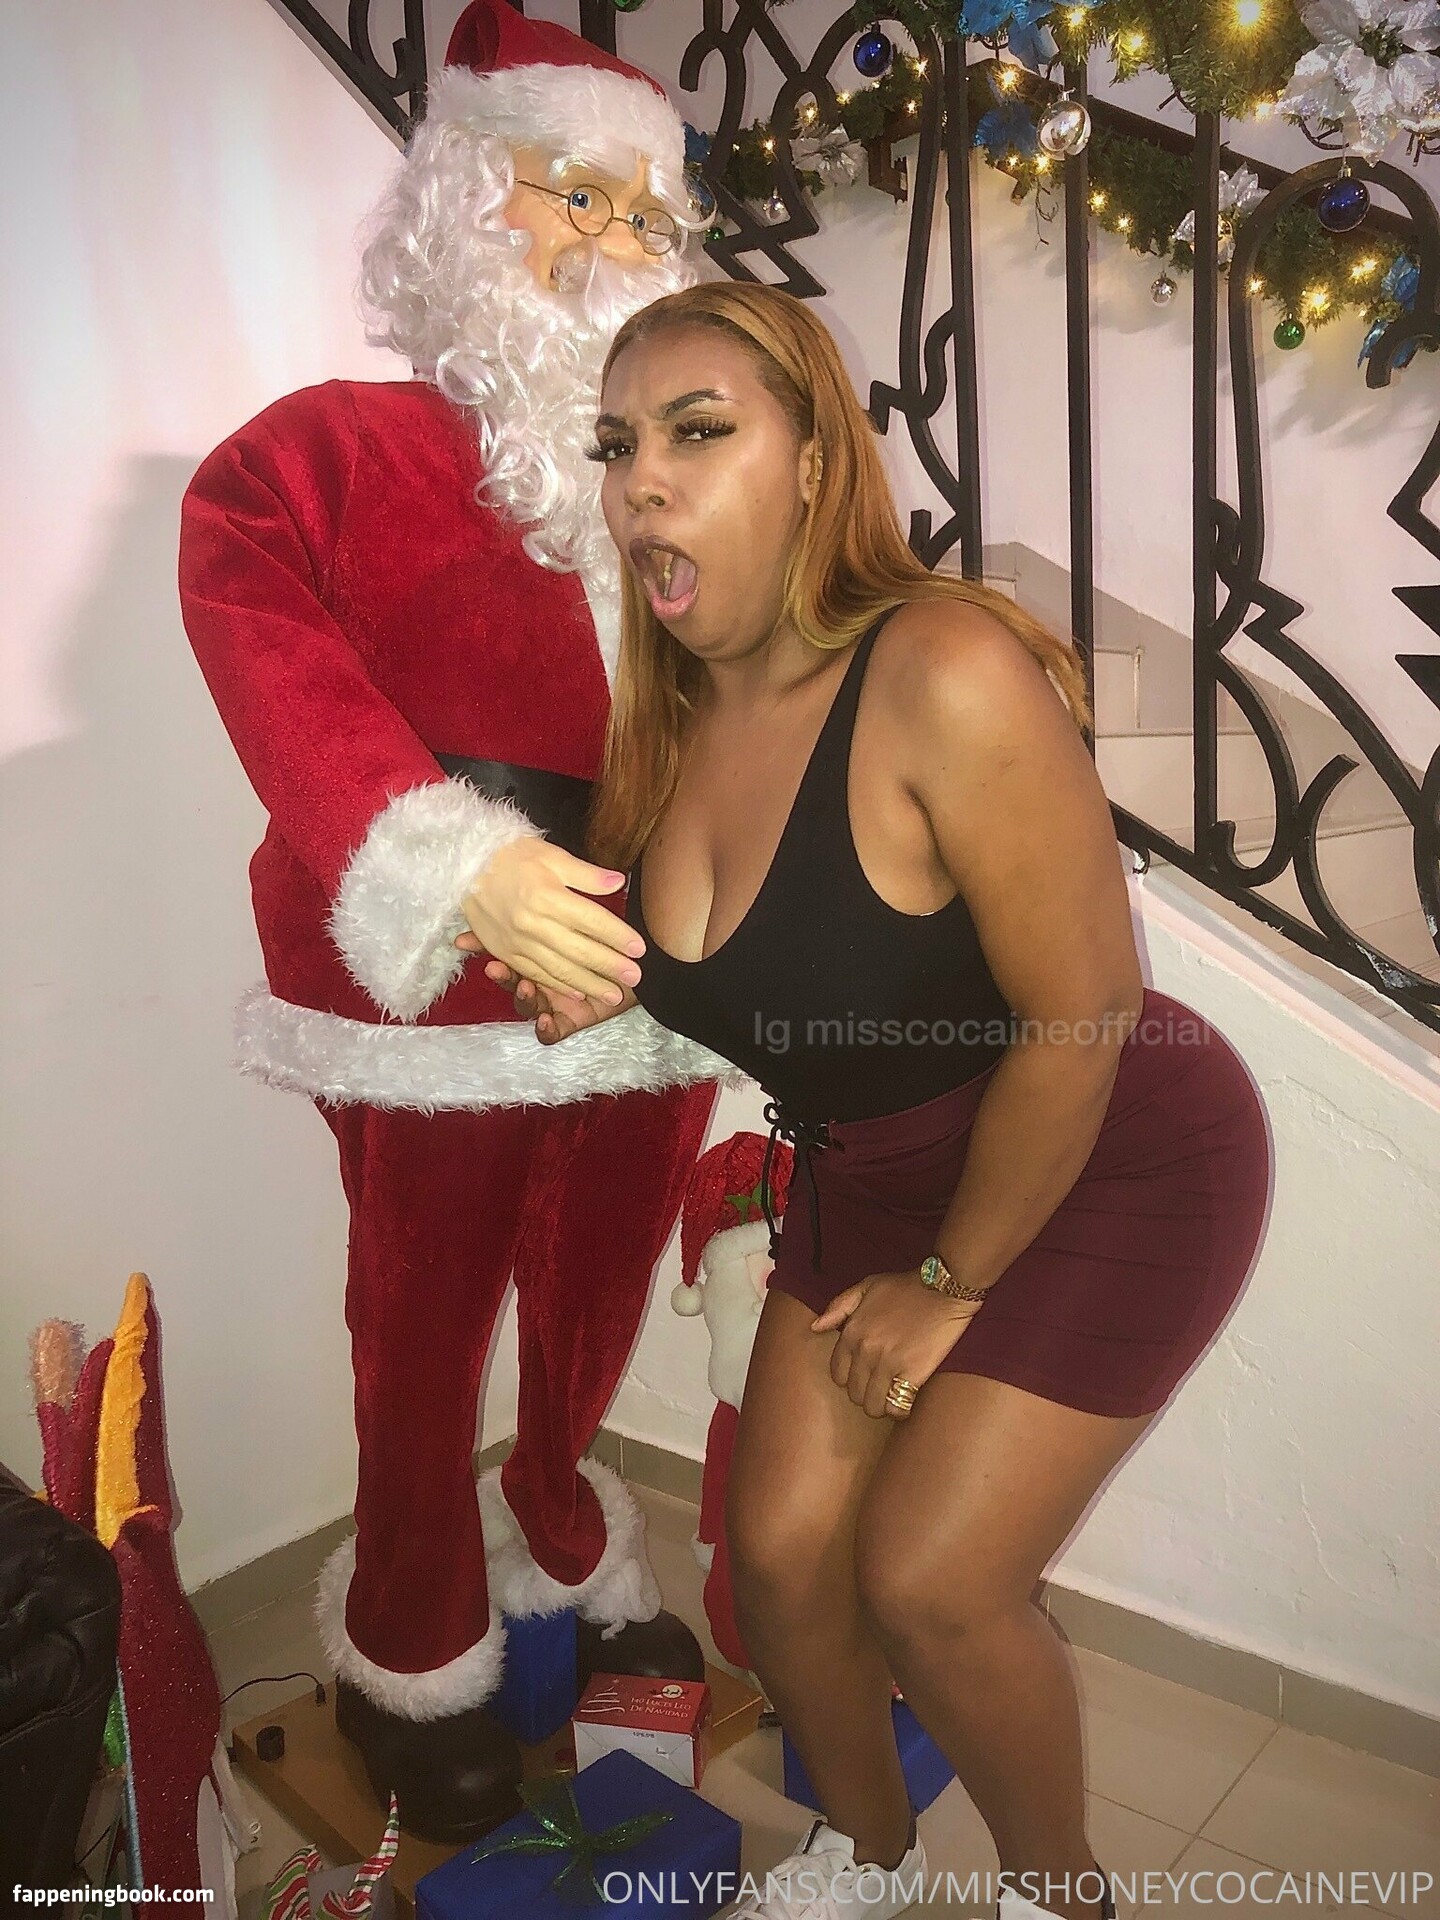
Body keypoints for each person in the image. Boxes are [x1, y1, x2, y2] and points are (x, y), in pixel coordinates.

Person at [473, 281, 1273, 1920]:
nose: (641, 481)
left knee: (931, 1582)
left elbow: (1085, 1017)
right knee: (776, 1567)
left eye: (699, 431)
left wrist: (949, 1285)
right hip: (873, 1175)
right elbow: (745, 978)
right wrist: (588, 991)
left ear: (819, 463)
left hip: (1108, 1150)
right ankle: (868, 1850)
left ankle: (1058, 1894)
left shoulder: (941, 669)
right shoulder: (665, 720)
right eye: (618, 446)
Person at [177, 0, 741, 1843]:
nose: (613, 241)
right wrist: (456, 865)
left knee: (591, 1294)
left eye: (645, 213)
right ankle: (406, 1635)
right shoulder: (332, 447)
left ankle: (567, 1531)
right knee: (419, 1327)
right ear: (461, 204)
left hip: (651, 977)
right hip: (431, 992)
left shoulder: (690, 494)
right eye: (574, 193)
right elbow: (251, 607)